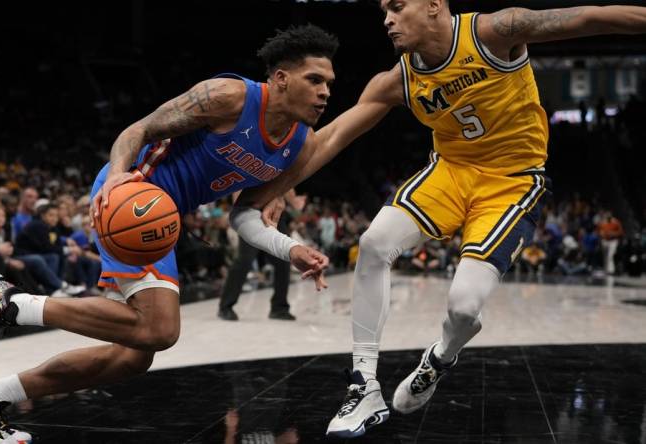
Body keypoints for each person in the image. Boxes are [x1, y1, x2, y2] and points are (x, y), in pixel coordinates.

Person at [233, 1, 646, 438]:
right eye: (382, 11)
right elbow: (331, 136)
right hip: (449, 173)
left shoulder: (496, 32)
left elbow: (589, 17)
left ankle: (441, 357)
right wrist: (275, 187)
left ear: (434, 6)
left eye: (396, 7)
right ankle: (363, 386)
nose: (386, 19)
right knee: (374, 243)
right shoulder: (398, 79)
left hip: (511, 180)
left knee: (465, 306)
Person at [0, 24, 338, 443]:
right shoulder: (230, 97)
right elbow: (139, 130)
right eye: (314, 80)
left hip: (163, 218)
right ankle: (7, 303)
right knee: (161, 329)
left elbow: (245, 210)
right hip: (135, 199)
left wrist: (283, 232)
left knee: (133, 357)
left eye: (330, 83)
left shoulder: (299, 142)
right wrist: (117, 177)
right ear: (281, 78)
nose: (325, 92)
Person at [218, 190, 306, 321]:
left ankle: (279, 307)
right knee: (245, 260)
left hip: (274, 210)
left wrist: (294, 201)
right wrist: (240, 204)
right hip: (250, 209)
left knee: (283, 260)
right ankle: (225, 307)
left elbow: (287, 178)